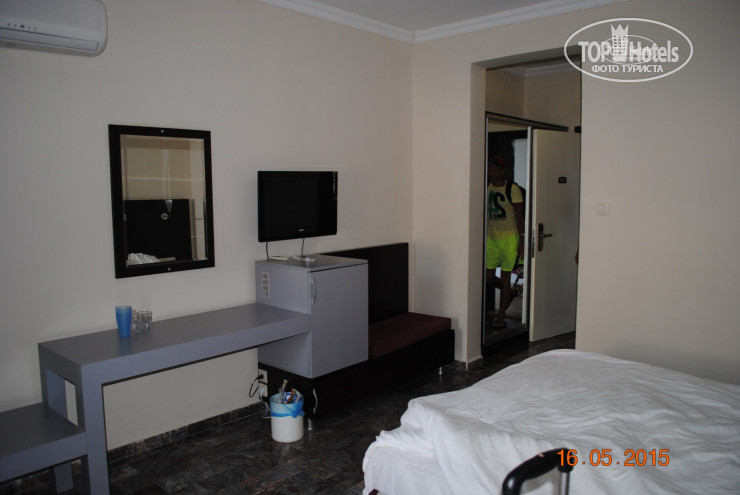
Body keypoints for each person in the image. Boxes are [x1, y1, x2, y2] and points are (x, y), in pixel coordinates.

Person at [486, 155, 525, 328]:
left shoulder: (512, 188)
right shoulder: (487, 186)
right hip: (492, 237)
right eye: (489, 169)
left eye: (494, 169)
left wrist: (522, 241)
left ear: (502, 171)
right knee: (487, 277)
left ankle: (501, 314)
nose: (491, 172)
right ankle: (509, 291)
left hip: (510, 238)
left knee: (505, 275)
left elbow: (520, 217)